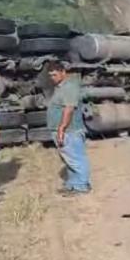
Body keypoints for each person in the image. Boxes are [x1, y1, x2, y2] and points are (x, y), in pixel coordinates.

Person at [46, 61, 91, 195]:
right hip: (65, 130)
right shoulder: (61, 87)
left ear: (63, 72)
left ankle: (81, 186)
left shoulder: (70, 87)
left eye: (54, 75)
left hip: (70, 130)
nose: (52, 78)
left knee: (76, 159)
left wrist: (61, 128)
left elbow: (69, 109)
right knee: (69, 160)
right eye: (50, 76)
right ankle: (72, 184)